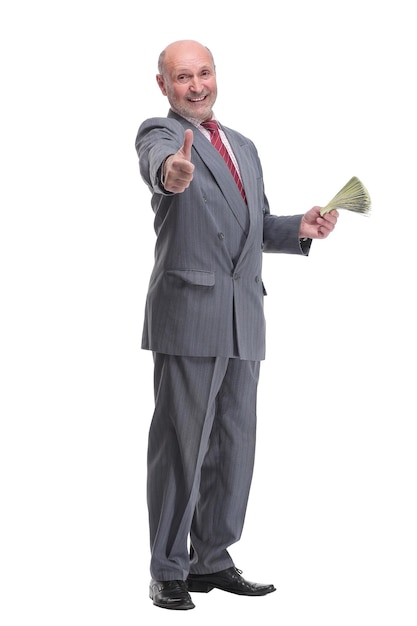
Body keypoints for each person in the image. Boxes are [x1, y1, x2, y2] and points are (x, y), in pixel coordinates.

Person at [135, 39, 339, 611]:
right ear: (164, 86)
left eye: (203, 73)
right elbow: (160, 168)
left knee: (233, 443)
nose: (196, 85)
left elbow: (257, 228)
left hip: (244, 314)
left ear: (216, 75)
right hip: (190, 313)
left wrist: (299, 225)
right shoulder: (160, 134)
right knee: (181, 446)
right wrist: (171, 174)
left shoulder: (243, 147)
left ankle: (213, 560)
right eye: (182, 77)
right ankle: (168, 569)